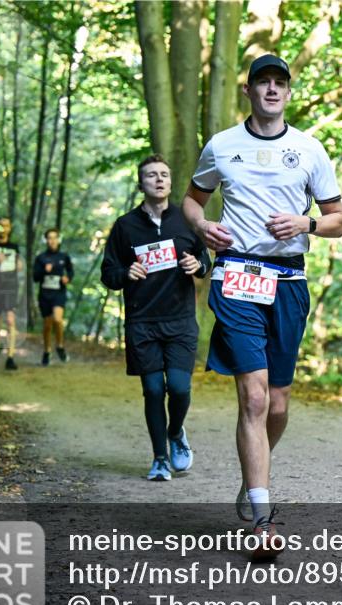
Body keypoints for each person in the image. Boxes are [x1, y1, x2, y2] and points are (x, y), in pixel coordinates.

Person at [183, 54, 342, 559]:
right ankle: (262, 517)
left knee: (277, 404)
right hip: (236, 277)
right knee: (253, 400)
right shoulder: (222, 145)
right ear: (249, 91)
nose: (272, 90)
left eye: (280, 83)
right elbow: (192, 200)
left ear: (288, 92)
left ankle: (254, 475)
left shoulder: (310, 149)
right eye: (263, 83)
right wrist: (202, 227)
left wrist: (305, 224)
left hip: (289, 282)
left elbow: (338, 219)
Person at [101, 155, 210, 481]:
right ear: (141, 184)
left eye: (164, 174)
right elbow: (108, 273)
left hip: (180, 320)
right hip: (142, 322)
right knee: (152, 390)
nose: (159, 179)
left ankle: (175, 432)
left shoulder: (186, 220)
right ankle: (160, 459)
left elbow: (205, 259)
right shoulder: (125, 226)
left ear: (171, 182)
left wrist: (198, 266)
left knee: (178, 387)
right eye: (151, 175)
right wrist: (126, 272)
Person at [32, 228, 73, 366]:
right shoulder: (41, 258)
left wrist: (68, 278)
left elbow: (70, 271)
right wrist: (44, 270)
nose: (52, 241)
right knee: (47, 325)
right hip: (44, 294)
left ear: (58, 240)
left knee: (58, 319)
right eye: (49, 238)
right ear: (46, 240)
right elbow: (35, 278)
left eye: (55, 237)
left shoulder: (64, 256)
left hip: (59, 293)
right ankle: (47, 351)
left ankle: (60, 346)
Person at [0, 217, 21, 370]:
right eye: (1, 225)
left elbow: (18, 264)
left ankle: (10, 357)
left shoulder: (14, 247)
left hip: (10, 287)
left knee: (10, 319)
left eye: (6, 225)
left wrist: (19, 264)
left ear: (10, 228)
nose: (3, 228)